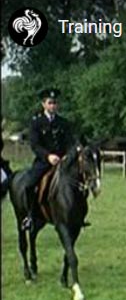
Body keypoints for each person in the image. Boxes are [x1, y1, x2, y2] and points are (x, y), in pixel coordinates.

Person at [20, 88, 76, 230]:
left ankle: (77, 215)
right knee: (29, 185)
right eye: (50, 103)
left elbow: (70, 143)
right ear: (43, 104)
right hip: (44, 162)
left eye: (55, 103)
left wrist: (66, 156)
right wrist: (48, 156)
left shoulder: (64, 123)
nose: (53, 106)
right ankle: (30, 216)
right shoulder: (36, 123)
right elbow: (35, 145)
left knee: (78, 183)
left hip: (63, 162)